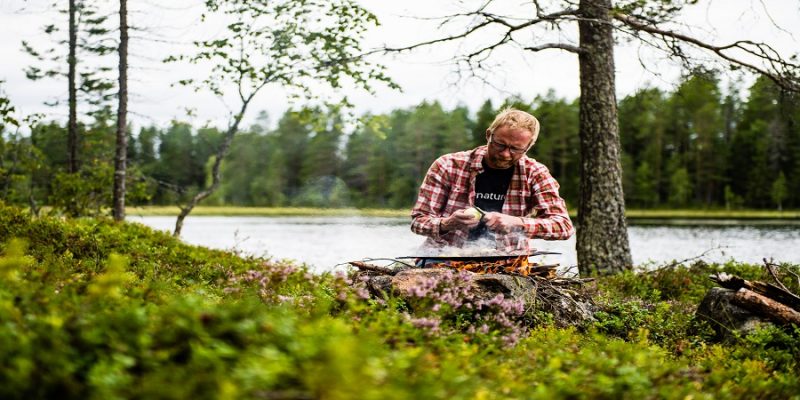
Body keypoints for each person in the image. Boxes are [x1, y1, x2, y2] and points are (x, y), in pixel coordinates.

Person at [411, 107, 574, 252]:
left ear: (528, 146)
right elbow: (418, 222)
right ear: (489, 135)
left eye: (515, 149)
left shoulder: (535, 173)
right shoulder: (448, 165)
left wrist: (517, 223)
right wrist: (447, 223)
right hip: (444, 257)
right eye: (500, 144)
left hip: (505, 262)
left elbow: (563, 227)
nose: (505, 154)